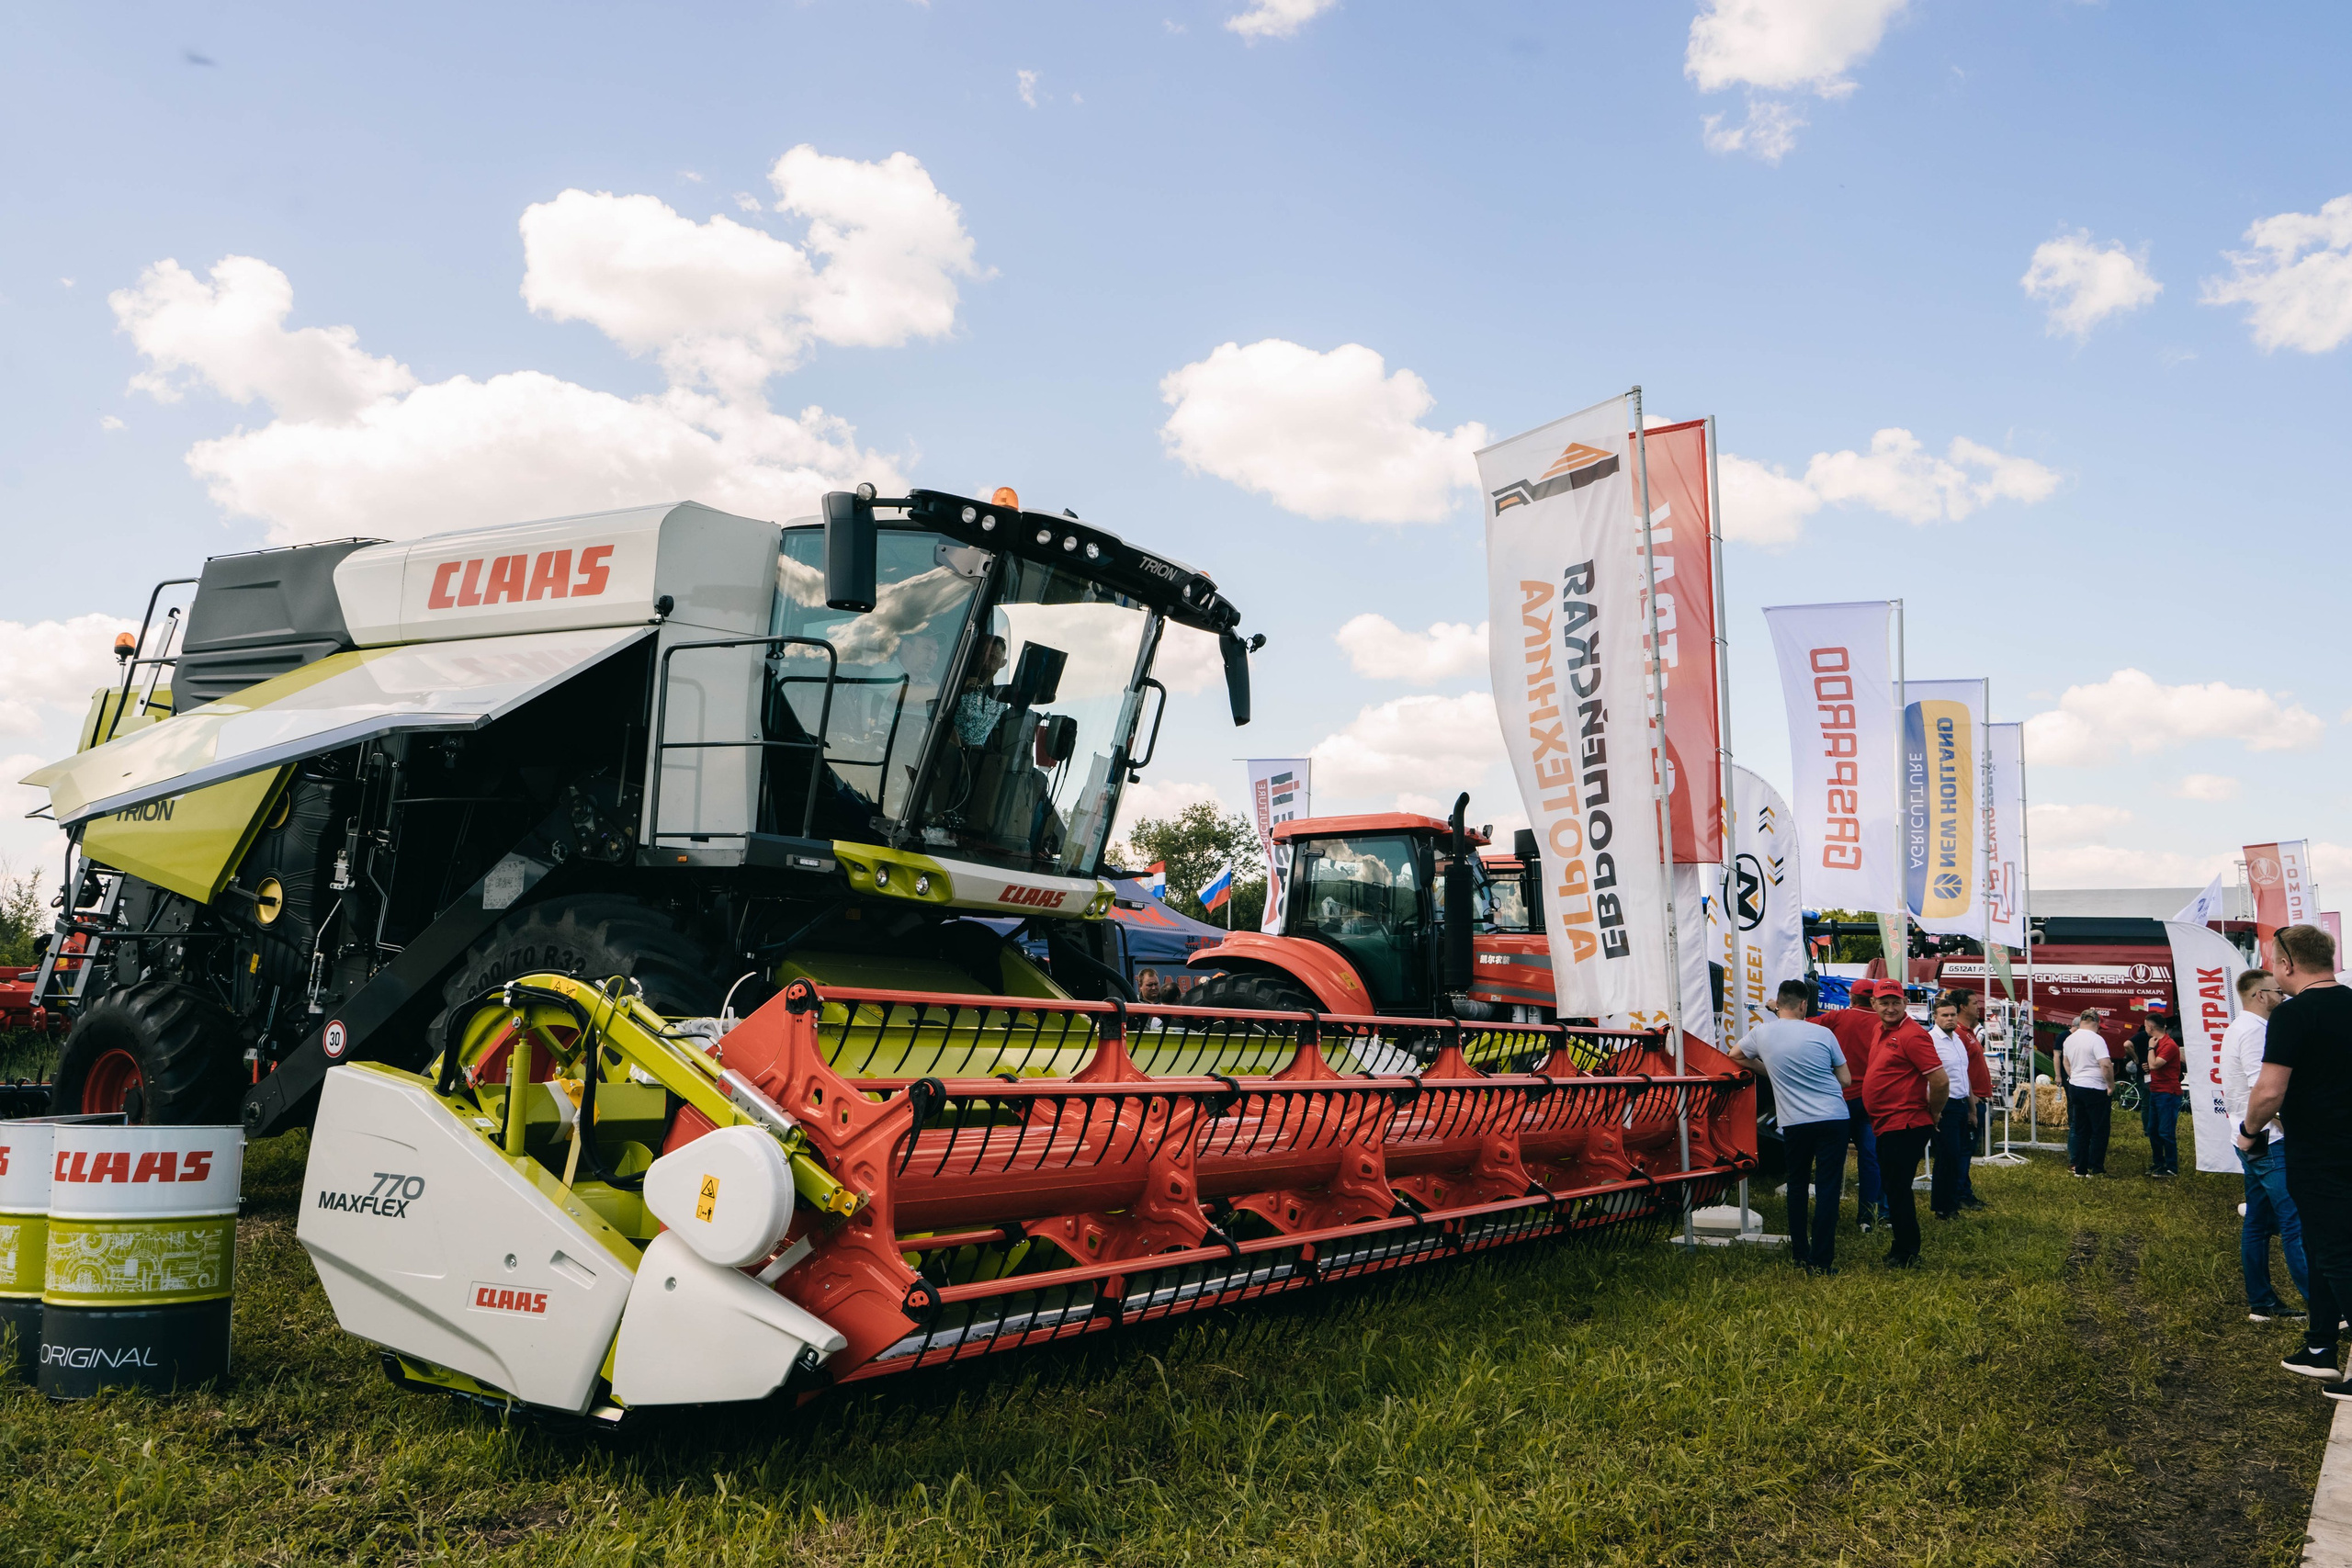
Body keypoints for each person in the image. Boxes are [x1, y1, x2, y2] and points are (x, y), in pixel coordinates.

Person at [2244, 925, 2352, 1398]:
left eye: (2273, 963)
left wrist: (2249, 1135)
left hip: (2319, 1152)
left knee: (2333, 1253)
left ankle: (2323, 1344)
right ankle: (2320, 1346)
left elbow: (2269, 1090)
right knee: (2323, 1245)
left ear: (2288, 964)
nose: (2273, 972)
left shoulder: (2292, 1014)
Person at [1729, 979, 1853, 1273]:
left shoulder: (1761, 1032)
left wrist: (1771, 1070)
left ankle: (1800, 1253)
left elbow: (1735, 1056)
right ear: (1803, 1005)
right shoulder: (1823, 1033)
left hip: (1795, 1122)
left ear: (1778, 1003)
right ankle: (1822, 1260)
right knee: (1827, 1188)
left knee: (1796, 1186)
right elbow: (1845, 1080)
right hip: (1833, 1118)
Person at [2222, 967, 2308, 1323]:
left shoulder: (2238, 1028)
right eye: (2277, 991)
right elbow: (2267, 1093)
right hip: (2267, 1140)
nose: (2283, 996)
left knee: (2257, 1222)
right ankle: (2327, 1308)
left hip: (2249, 1138)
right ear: (2260, 995)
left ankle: (2262, 1303)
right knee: (2295, 1223)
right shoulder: (2256, 1031)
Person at [1863, 982, 1949, 1268]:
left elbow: (1940, 1081)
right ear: (1873, 1004)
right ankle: (1901, 1246)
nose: (1890, 1008)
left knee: (1897, 1188)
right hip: (1888, 1123)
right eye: (1884, 1002)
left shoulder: (1912, 1035)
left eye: (1895, 1002)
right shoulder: (1880, 1029)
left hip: (1906, 1123)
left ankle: (1907, 1253)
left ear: (1904, 1003)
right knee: (1893, 1186)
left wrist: (1934, 1113)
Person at [1822, 979, 1886, 1232]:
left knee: (1833, 1159)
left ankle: (1829, 1216)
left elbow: (1801, 1025)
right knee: (1871, 1159)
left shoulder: (1837, 1018)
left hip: (1840, 1098)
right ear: (1873, 1000)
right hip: (1871, 1100)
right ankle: (1868, 1217)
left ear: (1851, 997)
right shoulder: (1883, 1023)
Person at [1927, 997, 1972, 1220]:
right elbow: (1929, 1078)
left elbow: (1965, 1076)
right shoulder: (1931, 1040)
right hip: (1945, 1105)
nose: (1950, 1018)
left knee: (1959, 1156)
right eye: (1945, 1015)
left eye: (1953, 1014)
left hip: (1961, 1103)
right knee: (1947, 1157)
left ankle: (1954, 1201)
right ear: (1935, 1017)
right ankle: (1943, 1208)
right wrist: (1935, 1108)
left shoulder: (1958, 1040)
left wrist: (1971, 1109)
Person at [2061, 1010, 2115, 1177]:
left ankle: (2080, 1168)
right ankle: (2096, 1167)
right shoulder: (2097, 1039)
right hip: (2095, 1087)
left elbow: (2066, 1062)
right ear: (2097, 1023)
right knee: (2099, 1130)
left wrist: (2074, 1076)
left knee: (2081, 1129)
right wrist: (2110, 1085)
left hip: (2076, 1086)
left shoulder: (2069, 1039)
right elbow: (2105, 1065)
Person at [1954, 989, 1994, 1209]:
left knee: (1966, 1150)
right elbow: (1960, 1070)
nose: (1978, 1006)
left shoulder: (1968, 1032)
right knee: (1963, 1150)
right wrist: (1973, 1098)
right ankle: (1961, 1194)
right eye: (1974, 1002)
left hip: (1977, 1099)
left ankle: (1964, 1191)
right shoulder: (1959, 1033)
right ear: (1962, 1007)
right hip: (1972, 1100)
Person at [2143, 1010, 2184, 1178]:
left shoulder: (2168, 1045)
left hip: (2168, 1093)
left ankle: (2171, 1167)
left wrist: (2151, 1048)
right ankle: (2158, 1162)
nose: (2145, 1028)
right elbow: (2152, 1065)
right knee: (2153, 1129)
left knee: (2165, 1131)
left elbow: (2155, 1065)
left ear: (2151, 1027)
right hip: (2156, 1090)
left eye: (2146, 1026)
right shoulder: (2158, 1043)